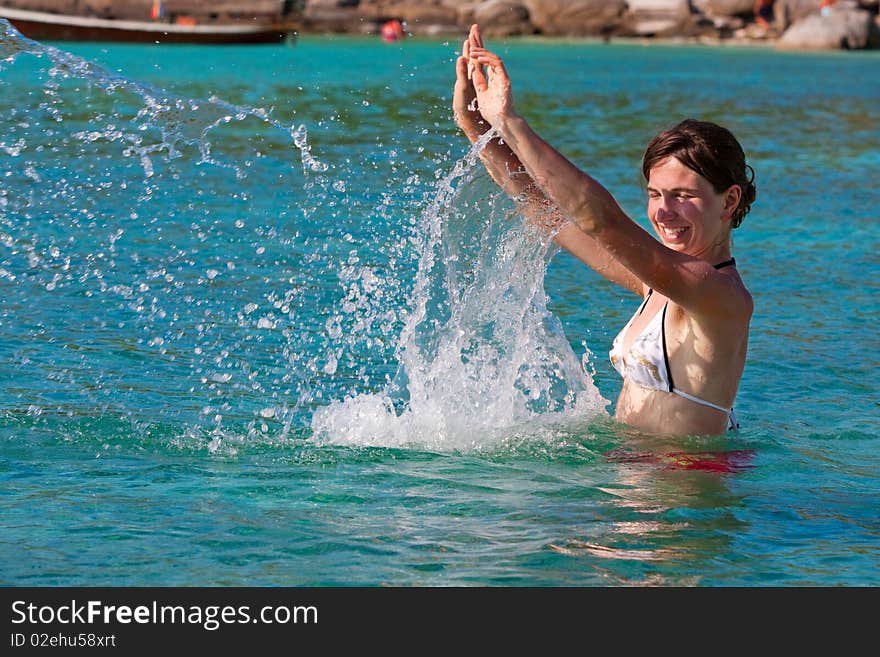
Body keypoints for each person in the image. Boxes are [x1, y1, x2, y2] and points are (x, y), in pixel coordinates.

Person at [452, 25, 755, 437]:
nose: (664, 212)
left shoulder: (718, 295)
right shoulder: (659, 286)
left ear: (730, 200)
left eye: (683, 195)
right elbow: (547, 213)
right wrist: (476, 128)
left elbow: (601, 219)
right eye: (655, 194)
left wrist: (512, 123)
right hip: (638, 475)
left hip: (679, 489)